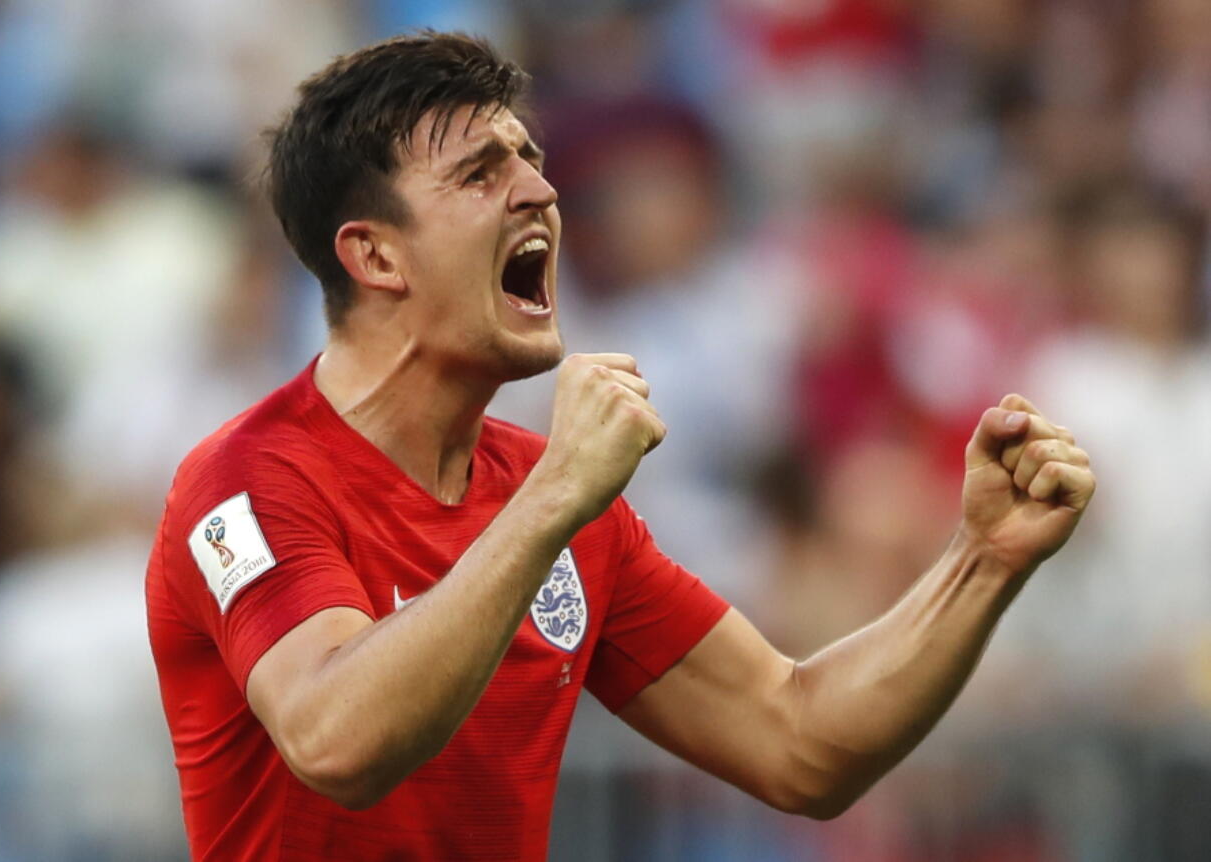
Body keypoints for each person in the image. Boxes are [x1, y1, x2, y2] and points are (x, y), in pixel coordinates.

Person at [145, 32, 1096, 862]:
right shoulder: (250, 481)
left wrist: (981, 561)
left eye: (530, 158)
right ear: (376, 256)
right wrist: (554, 498)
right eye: (481, 174)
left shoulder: (550, 495)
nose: (542, 190)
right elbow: (335, 740)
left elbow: (798, 741)